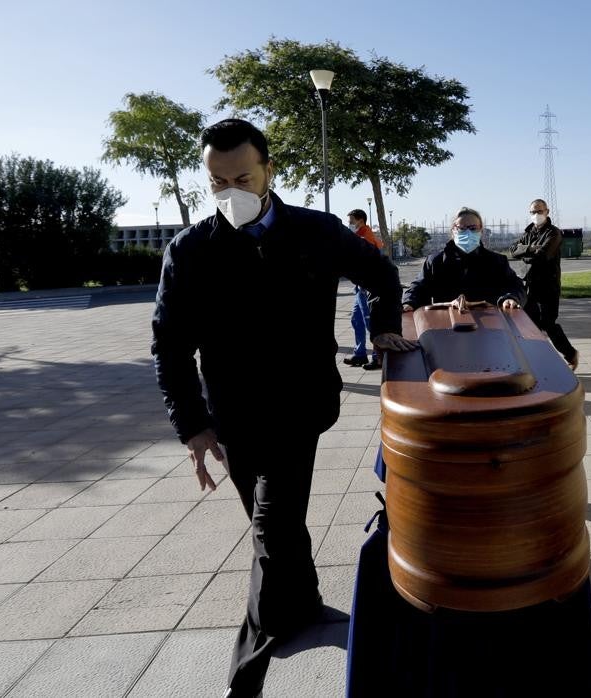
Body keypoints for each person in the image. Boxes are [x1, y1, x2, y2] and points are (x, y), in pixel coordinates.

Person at [150, 118, 418, 698]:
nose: (231, 192)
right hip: (233, 415)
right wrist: (192, 425)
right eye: (217, 182)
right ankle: (305, 607)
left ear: (269, 169)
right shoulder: (191, 250)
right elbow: (169, 343)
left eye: (242, 177)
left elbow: (380, 275)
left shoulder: (316, 231)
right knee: (273, 524)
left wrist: (386, 329)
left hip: (301, 406)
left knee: (269, 531)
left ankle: (245, 676)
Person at [403, 207, 525, 312]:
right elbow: (417, 288)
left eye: (473, 228)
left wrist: (511, 298)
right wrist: (409, 302)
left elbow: (516, 286)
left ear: (481, 231)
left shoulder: (497, 261)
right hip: (444, 326)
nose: (468, 233)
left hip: (490, 326)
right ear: (453, 230)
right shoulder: (435, 262)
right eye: (462, 228)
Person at [509, 198, 579, 368]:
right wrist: (531, 248)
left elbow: (543, 255)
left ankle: (570, 353)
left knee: (548, 323)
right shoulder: (529, 232)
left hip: (548, 286)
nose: (536, 214)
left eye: (540, 211)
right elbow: (512, 250)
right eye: (533, 211)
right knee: (530, 324)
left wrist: (525, 252)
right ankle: (537, 360)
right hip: (530, 285)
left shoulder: (554, 233)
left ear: (547, 212)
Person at [344, 209, 386, 370]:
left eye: (351, 221)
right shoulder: (359, 236)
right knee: (357, 320)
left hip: (366, 285)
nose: (350, 225)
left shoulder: (365, 238)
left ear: (360, 221)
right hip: (359, 285)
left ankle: (378, 357)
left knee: (370, 321)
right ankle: (360, 354)